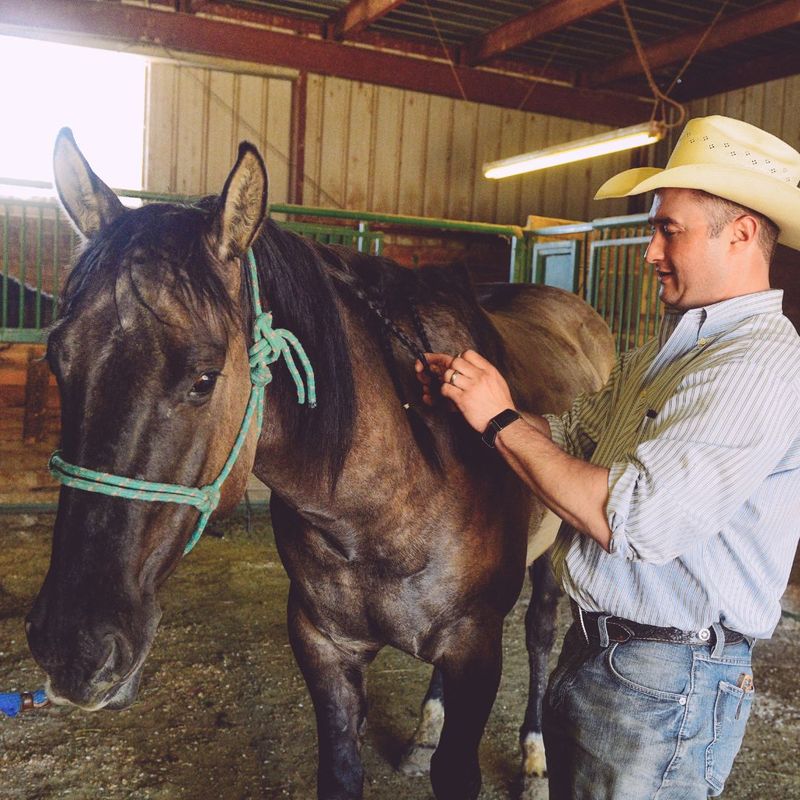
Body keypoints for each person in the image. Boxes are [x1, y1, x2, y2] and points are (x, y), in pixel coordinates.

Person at [416, 115, 800, 799]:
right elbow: (567, 440)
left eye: (668, 231)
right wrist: (469, 403)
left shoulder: (755, 363)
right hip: (606, 655)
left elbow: (634, 518)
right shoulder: (667, 349)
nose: (648, 251)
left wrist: (500, 418)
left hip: (672, 678)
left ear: (741, 234)